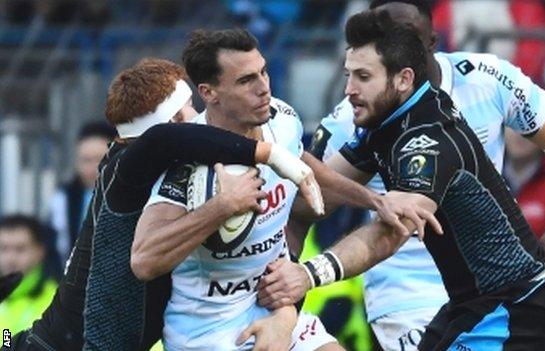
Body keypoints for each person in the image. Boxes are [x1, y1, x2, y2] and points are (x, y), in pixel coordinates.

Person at [282, 1, 545, 349]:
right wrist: (265, 149)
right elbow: (312, 193)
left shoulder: (430, 137)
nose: (348, 90)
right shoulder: (377, 120)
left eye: (363, 77)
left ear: (405, 73)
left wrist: (308, 275)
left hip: (511, 303)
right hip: (426, 297)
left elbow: (392, 230)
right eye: (348, 75)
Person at [134, 28, 437, 351]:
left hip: (276, 312)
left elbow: (302, 162)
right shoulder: (185, 161)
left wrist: (374, 200)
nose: (263, 87)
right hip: (210, 332)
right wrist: (222, 207)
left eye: (263, 72)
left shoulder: (281, 118)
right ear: (209, 93)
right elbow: (144, 259)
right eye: (245, 80)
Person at [8, 58, 320, 351]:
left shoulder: (149, 164)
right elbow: (163, 140)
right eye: (189, 108)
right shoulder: (128, 165)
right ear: (172, 121)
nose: (199, 118)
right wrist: (270, 155)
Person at [47, 121, 116, 269]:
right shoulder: (63, 199)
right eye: (86, 160)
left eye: (100, 159)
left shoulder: (131, 195)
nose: (93, 168)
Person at [0, 215, 57, 335]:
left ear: (40, 251)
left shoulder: (56, 300)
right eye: (3, 248)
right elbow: (7, 340)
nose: (10, 258)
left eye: (20, 249)